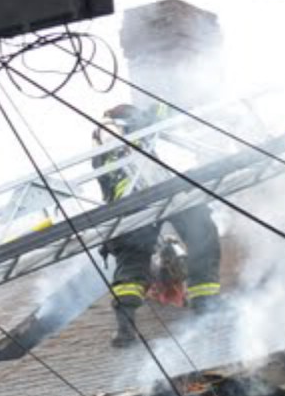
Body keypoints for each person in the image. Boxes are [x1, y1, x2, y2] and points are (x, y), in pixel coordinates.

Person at [92, 102, 224, 346]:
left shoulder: (101, 150)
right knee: (201, 230)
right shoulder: (122, 127)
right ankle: (205, 301)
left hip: (129, 208)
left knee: (132, 261)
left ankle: (125, 327)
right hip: (153, 195)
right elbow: (161, 111)